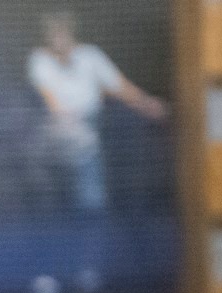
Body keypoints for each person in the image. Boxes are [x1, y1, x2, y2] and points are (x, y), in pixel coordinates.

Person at [26, 10, 168, 218]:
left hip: (94, 122)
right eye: (53, 32)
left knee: (89, 142)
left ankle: (94, 214)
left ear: (71, 31)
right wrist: (66, 123)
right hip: (56, 125)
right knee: (79, 144)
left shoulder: (90, 56)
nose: (58, 36)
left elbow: (120, 86)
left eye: (62, 30)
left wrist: (147, 103)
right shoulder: (39, 60)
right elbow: (49, 100)